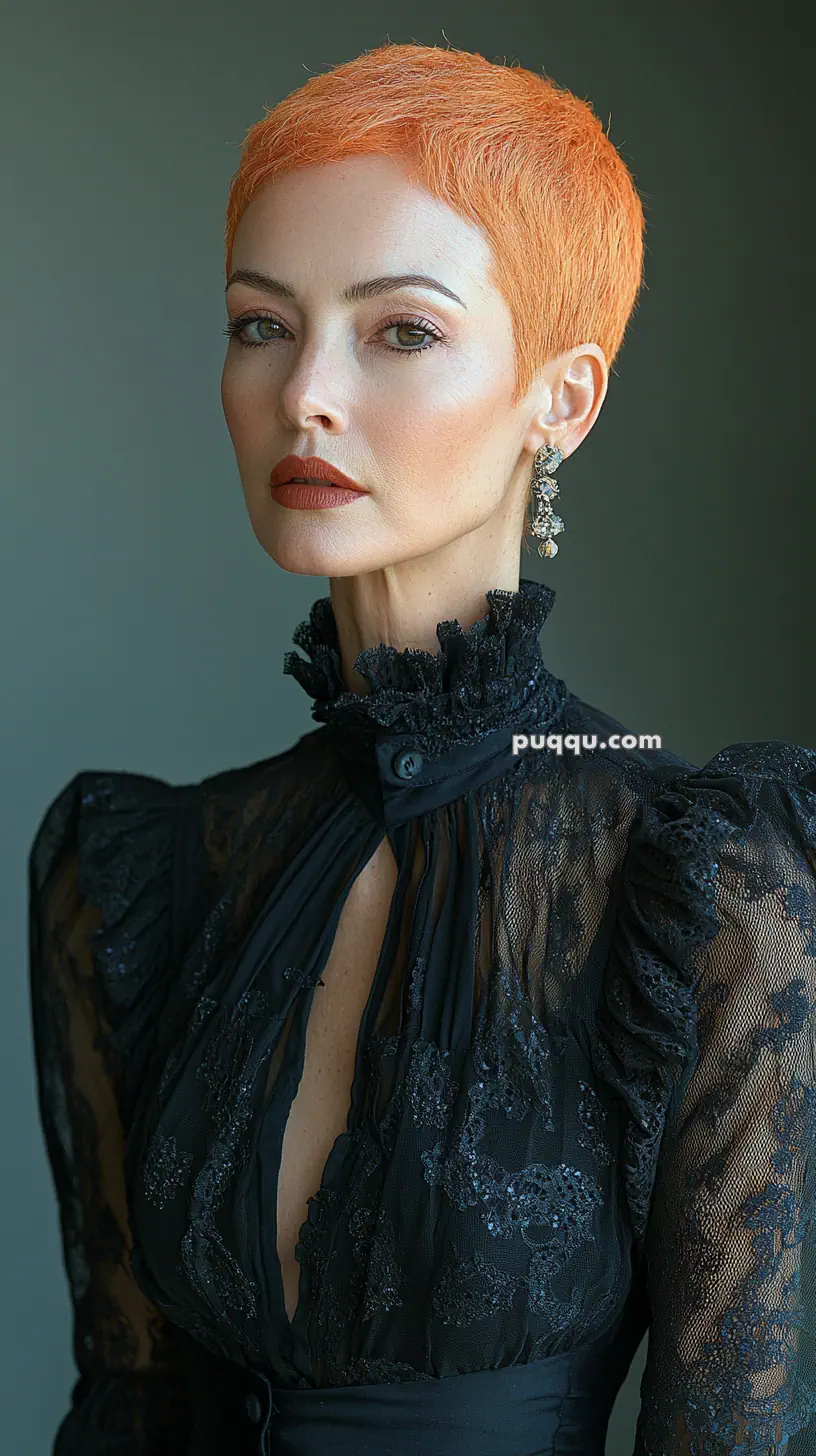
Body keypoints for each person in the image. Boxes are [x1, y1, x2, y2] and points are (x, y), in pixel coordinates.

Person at [28, 40, 815, 1456]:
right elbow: (127, 1402)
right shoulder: (135, 871)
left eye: (398, 330)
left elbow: (727, 1430)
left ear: (561, 400)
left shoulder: (703, 876)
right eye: (261, 323)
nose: (304, 392)